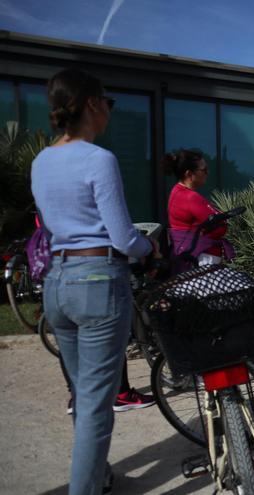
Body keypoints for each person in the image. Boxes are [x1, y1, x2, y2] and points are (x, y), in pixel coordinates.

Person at [31, 68, 157, 495]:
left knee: (83, 394)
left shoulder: (41, 161)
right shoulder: (98, 158)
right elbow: (122, 235)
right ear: (91, 104)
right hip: (99, 281)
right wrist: (149, 249)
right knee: (95, 405)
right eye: (108, 102)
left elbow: (48, 230)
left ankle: (97, 475)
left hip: (57, 284)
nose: (109, 111)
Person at [163, 149, 233, 272]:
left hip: (187, 256)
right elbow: (220, 226)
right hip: (201, 258)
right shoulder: (190, 197)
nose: (207, 173)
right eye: (204, 170)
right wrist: (219, 222)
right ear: (189, 174)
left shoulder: (176, 191)